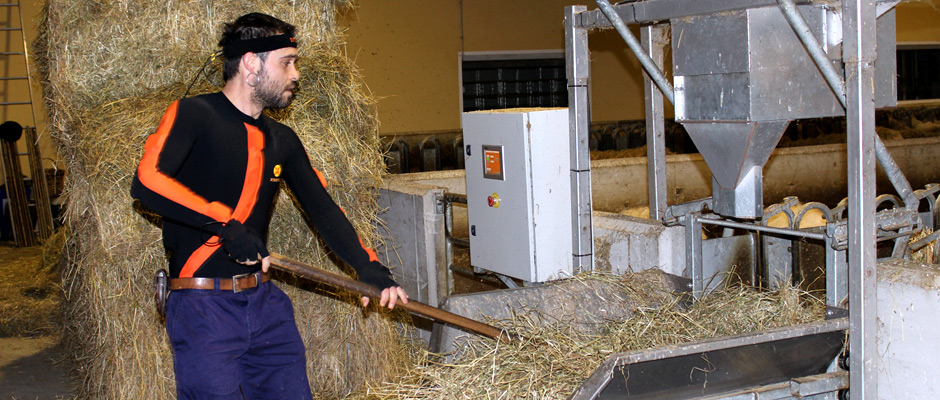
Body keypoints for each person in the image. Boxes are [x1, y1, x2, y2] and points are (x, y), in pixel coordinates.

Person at [130, 12, 408, 399]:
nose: (295, 75)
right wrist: (225, 226)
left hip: (265, 303)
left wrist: (368, 267)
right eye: (287, 63)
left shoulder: (283, 139)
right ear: (250, 63)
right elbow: (146, 182)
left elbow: (323, 209)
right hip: (203, 306)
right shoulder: (194, 115)